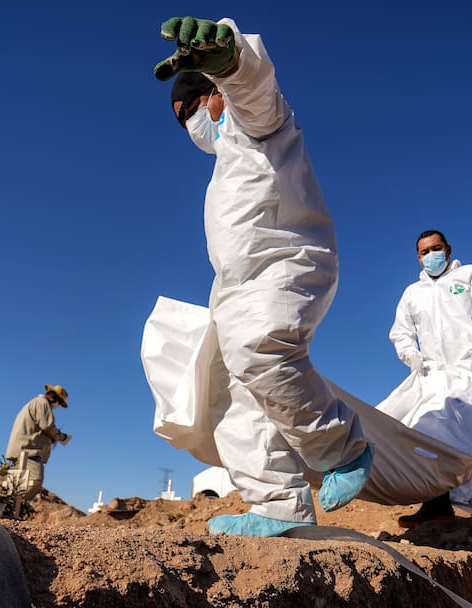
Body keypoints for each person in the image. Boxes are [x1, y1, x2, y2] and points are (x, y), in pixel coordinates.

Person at [153, 16, 372, 537]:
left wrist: (233, 63)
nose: (190, 125)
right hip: (237, 286)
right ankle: (276, 503)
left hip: (288, 264)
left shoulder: (259, 125)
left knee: (258, 347)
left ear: (213, 94)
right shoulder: (224, 164)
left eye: (189, 110)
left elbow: (257, 89)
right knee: (226, 389)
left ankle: (343, 447)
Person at [389, 230, 472, 528]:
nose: (431, 255)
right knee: (430, 430)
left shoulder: (471, 275)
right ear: (417, 258)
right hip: (436, 374)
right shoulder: (412, 293)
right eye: (424, 252)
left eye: (436, 248)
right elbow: (400, 331)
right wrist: (411, 355)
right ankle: (436, 504)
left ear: (448, 249)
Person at [1, 384, 72, 519]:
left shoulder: (34, 403)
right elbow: (47, 426)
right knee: (36, 479)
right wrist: (60, 437)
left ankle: (5, 512)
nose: (58, 406)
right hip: (28, 450)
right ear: (53, 397)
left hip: (19, 448)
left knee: (15, 484)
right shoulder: (42, 403)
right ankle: (10, 509)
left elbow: (38, 428)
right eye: (59, 402)